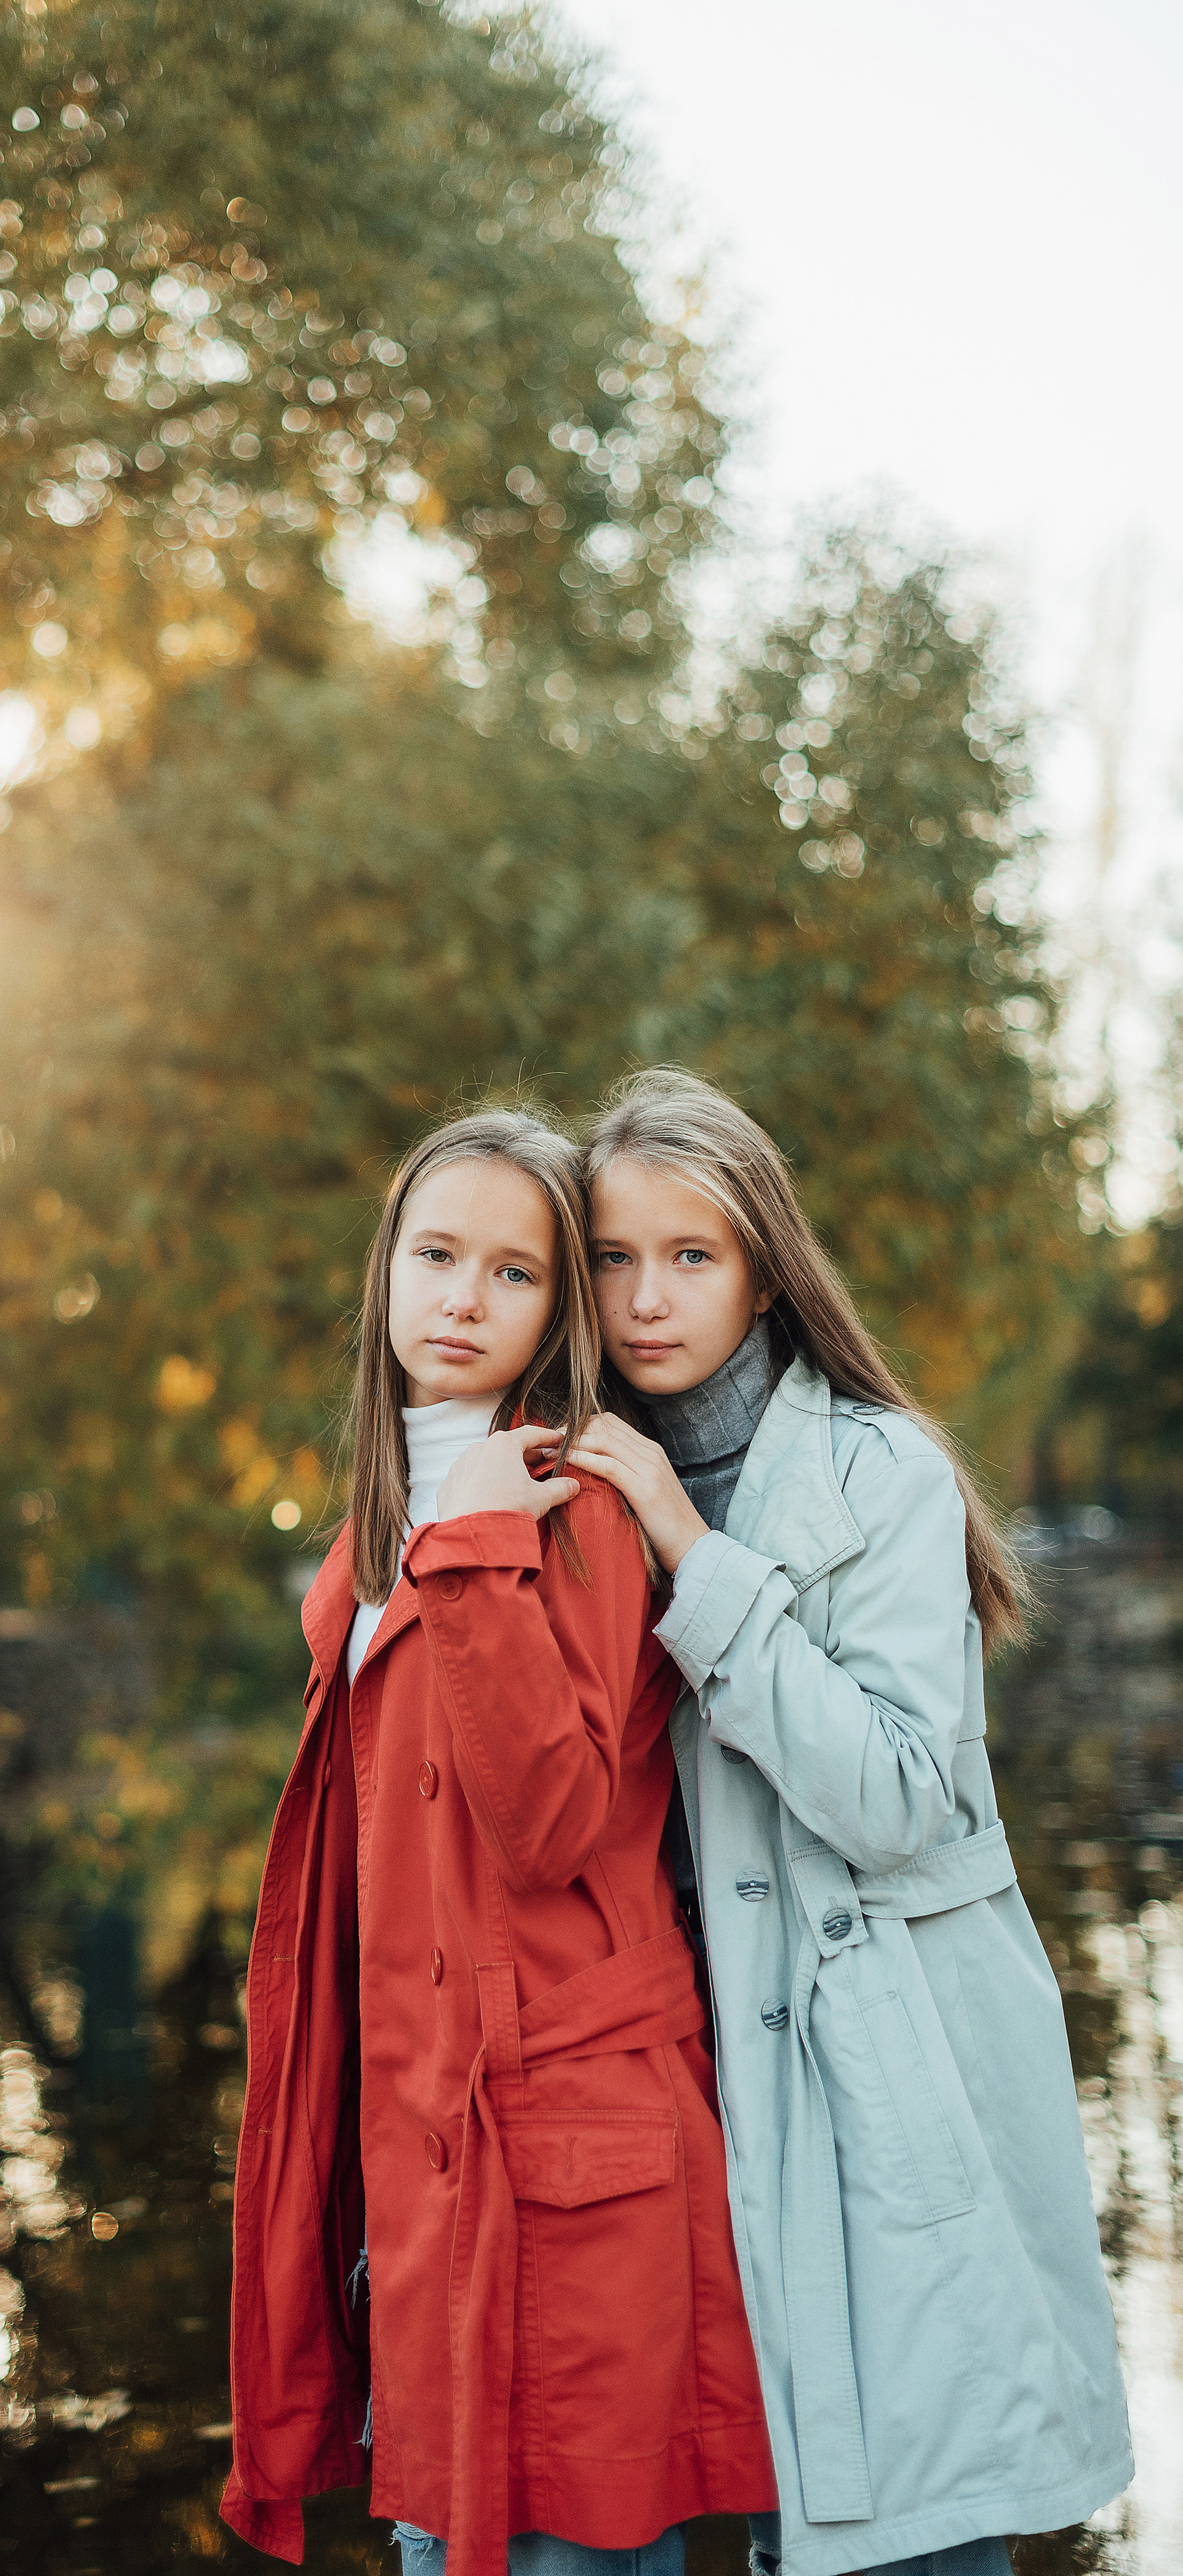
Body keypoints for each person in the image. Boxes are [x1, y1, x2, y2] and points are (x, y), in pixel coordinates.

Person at [567, 1068, 1132, 2576]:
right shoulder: (568, 1486)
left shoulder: (877, 1473)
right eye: (611, 1257)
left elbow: (889, 1795)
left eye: (688, 1255)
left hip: (885, 2057)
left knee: (911, 2519)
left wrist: (691, 1556)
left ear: (761, 1269)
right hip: (672, 2081)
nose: (645, 1298)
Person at [222, 1110, 778, 2576]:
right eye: (435, 1255)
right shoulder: (371, 1536)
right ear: (385, 1277)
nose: (462, 1298)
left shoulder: (580, 1510)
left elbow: (545, 1828)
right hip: (425, 2161)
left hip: (572, 2171)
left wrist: (472, 1555)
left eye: (514, 1273)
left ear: (557, 1316)